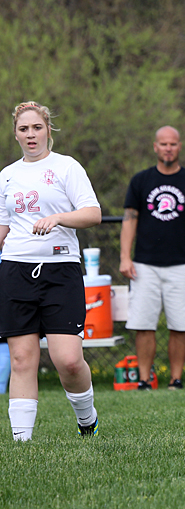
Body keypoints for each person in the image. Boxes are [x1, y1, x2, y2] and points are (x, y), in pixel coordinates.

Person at [0, 101, 102, 440]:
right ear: (15, 134)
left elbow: (92, 214)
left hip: (61, 271)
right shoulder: (7, 176)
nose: (30, 134)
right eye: (23, 129)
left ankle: (88, 421)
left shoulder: (66, 167)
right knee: (22, 359)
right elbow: (2, 230)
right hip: (15, 270)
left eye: (37, 127)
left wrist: (58, 218)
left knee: (69, 360)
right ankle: (22, 443)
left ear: (48, 130)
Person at [120, 126, 185, 390]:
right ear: (155, 147)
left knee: (180, 324)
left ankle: (176, 379)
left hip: (183, 264)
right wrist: (125, 257)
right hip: (144, 265)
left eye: (173, 144)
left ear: (179, 146)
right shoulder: (140, 181)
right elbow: (130, 220)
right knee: (143, 324)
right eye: (163, 144)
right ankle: (143, 379)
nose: (168, 148)